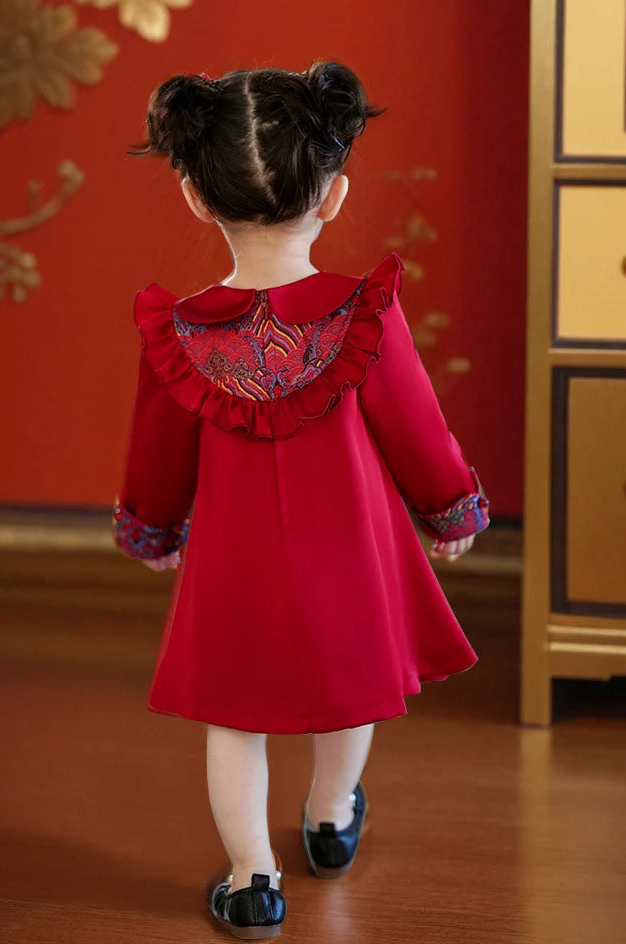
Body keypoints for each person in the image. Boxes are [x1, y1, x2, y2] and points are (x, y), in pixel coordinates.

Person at [112, 61, 489, 940]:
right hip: (350, 555)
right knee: (348, 691)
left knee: (235, 722)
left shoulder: (181, 335)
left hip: (233, 568)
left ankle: (252, 882)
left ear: (196, 199)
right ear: (335, 195)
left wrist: (158, 529)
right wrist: (449, 510)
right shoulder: (364, 314)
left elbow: (156, 452)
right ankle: (328, 817)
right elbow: (418, 427)